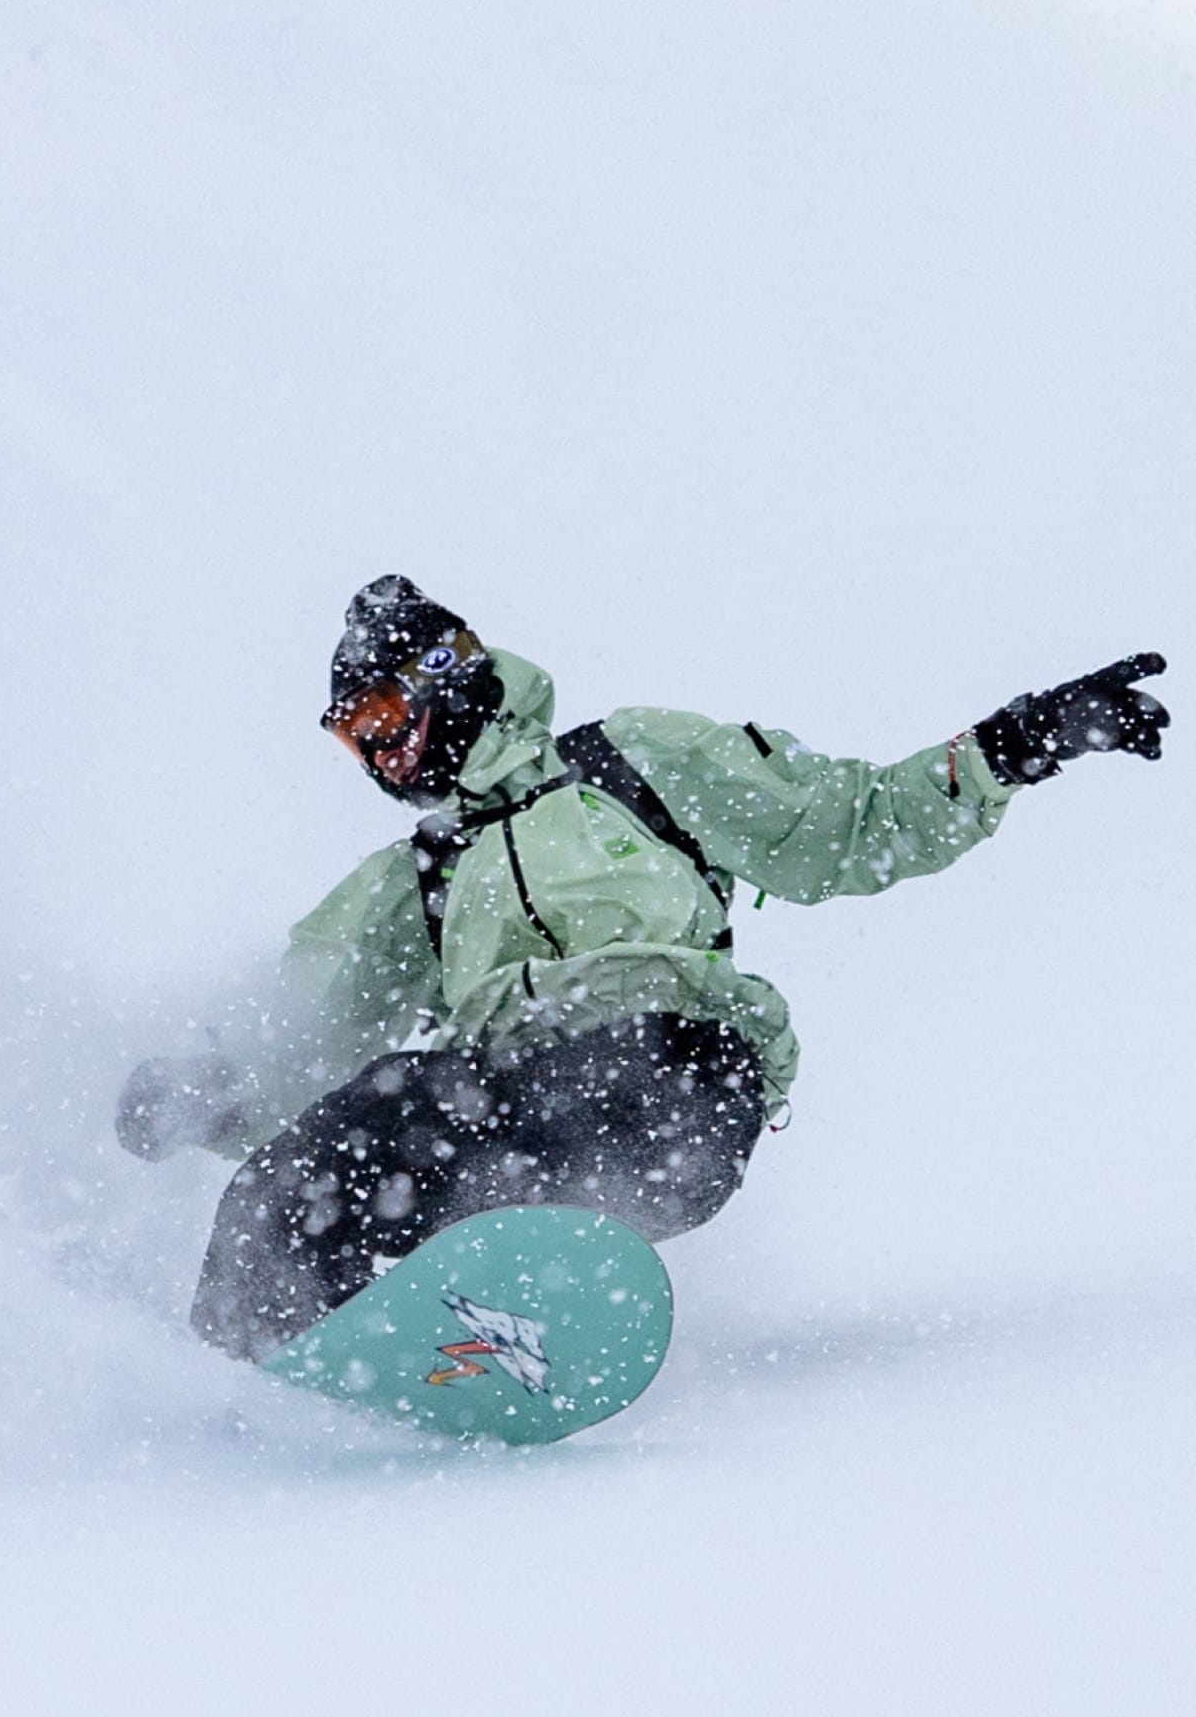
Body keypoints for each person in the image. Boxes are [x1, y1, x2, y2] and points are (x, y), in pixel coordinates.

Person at [116, 574, 1169, 1362]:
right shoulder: (418, 880)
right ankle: (251, 1372)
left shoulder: (633, 763)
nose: (382, 758)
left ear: (444, 678)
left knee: (438, 1098)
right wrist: (207, 1087)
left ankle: (498, 1266)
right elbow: (302, 1017)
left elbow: (850, 825)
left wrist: (1021, 741)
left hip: (677, 1077)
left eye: (384, 722)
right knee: (312, 1165)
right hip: (509, 1105)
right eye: (356, 742)